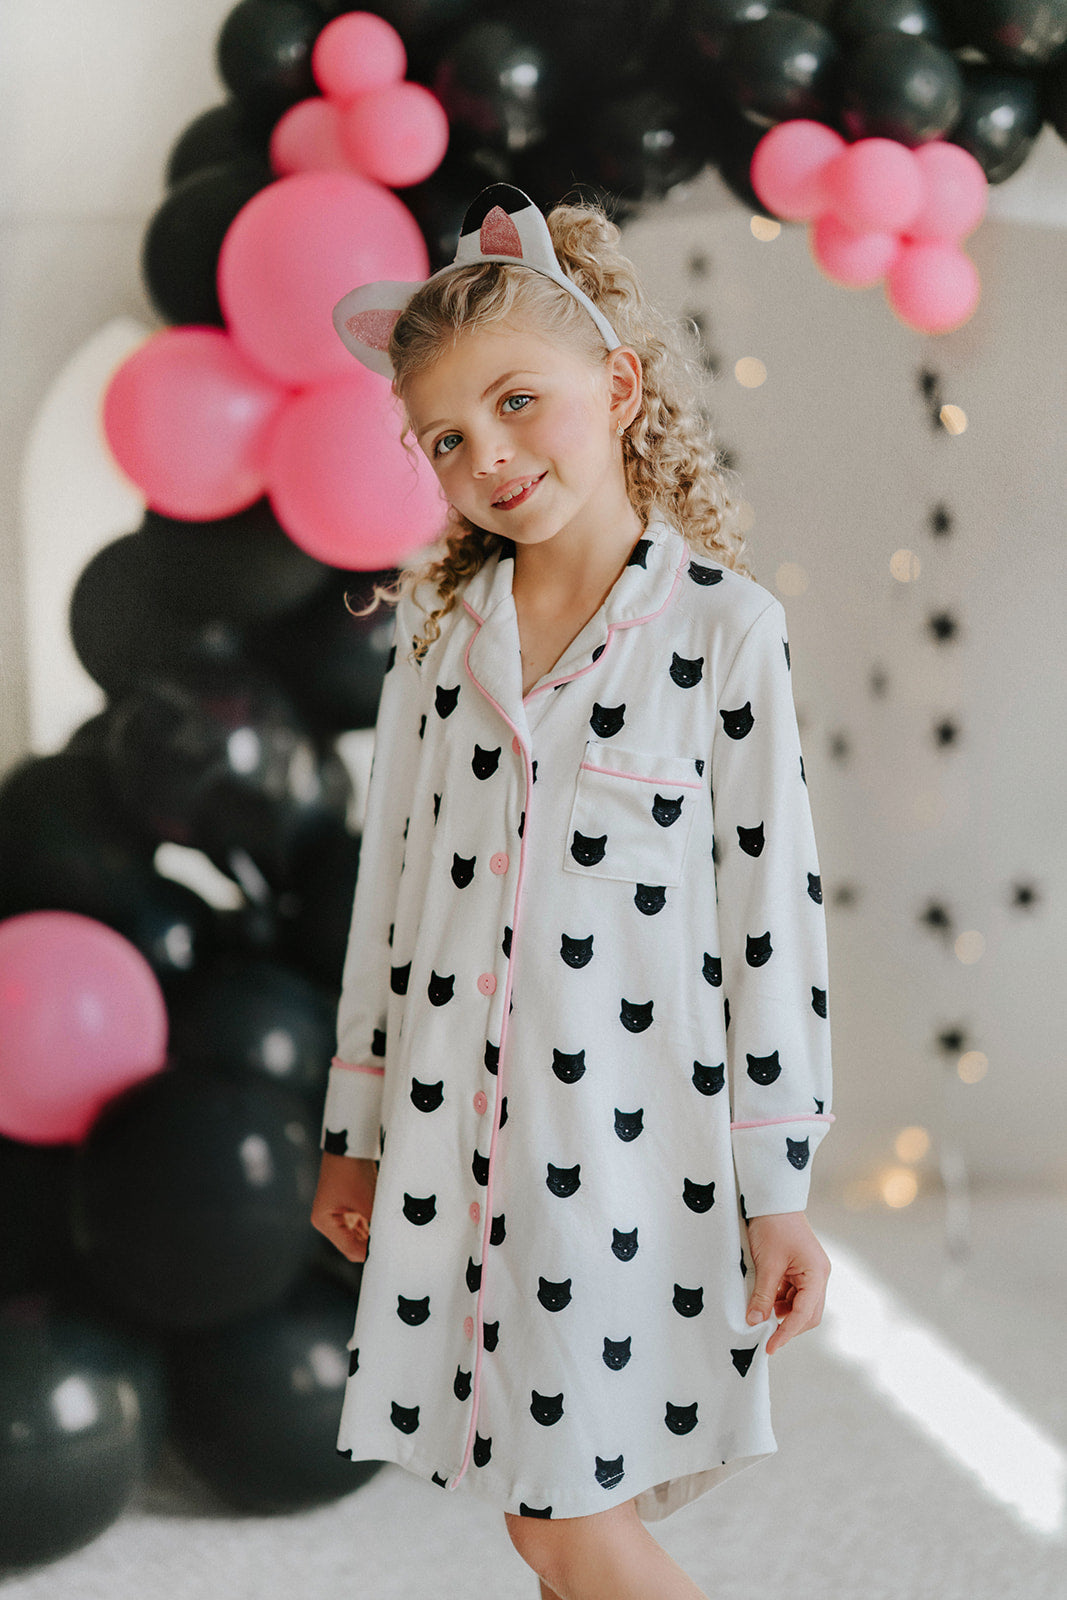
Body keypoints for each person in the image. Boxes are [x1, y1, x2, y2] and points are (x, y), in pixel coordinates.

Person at [311, 183, 834, 1600]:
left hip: (629, 1148)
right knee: (528, 1502)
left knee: (561, 1511)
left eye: (518, 403)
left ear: (615, 385)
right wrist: (355, 1128)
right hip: (450, 1135)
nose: (488, 454)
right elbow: (388, 906)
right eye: (447, 439)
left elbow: (772, 918)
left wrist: (778, 1187)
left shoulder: (728, 631)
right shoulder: (441, 647)